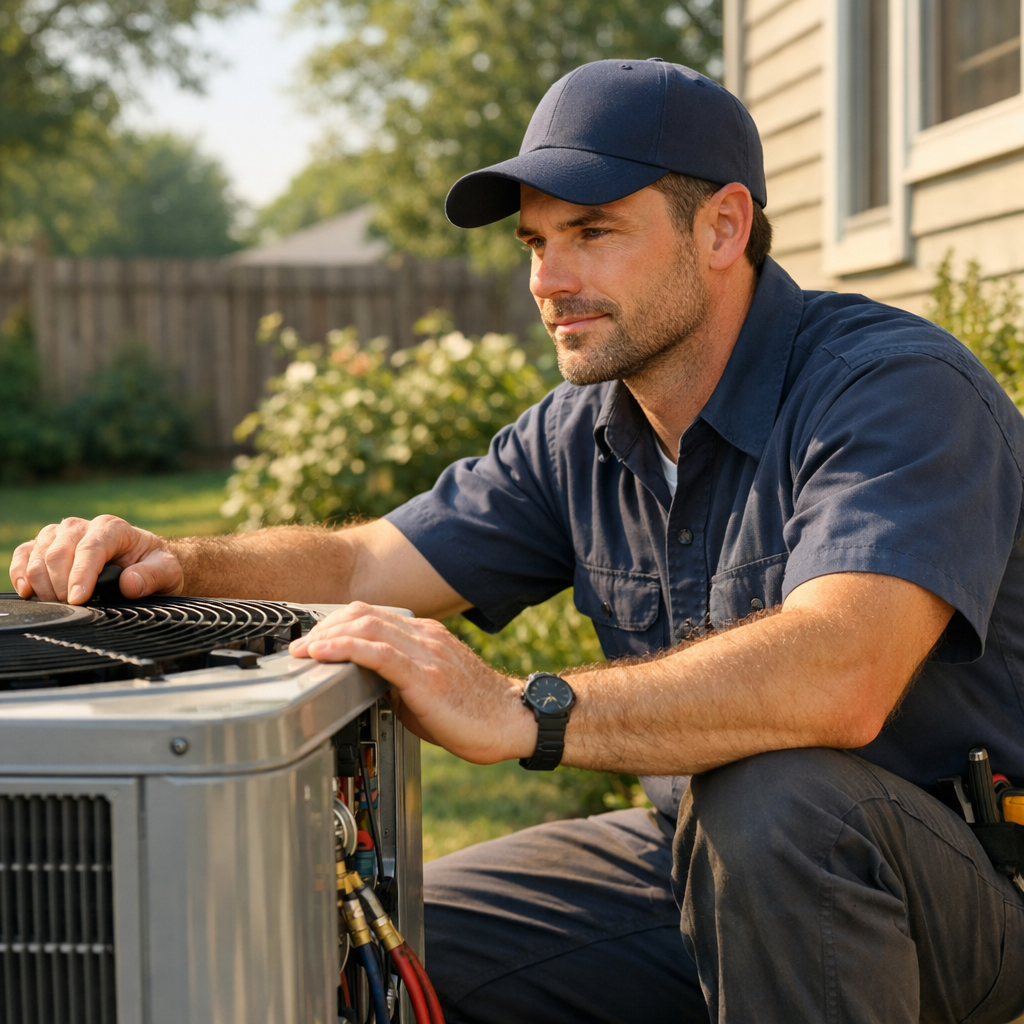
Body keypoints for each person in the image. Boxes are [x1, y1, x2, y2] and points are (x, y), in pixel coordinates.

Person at [11, 59, 1024, 1024]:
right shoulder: (579, 433)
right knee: (372, 946)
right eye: (535, 243)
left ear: (722, 227)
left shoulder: (890, 390)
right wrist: (180, 563)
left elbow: (838, 673)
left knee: (775, 795)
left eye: (591, 232)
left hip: (959, 887)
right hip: (692, 856)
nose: (550, 279)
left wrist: (520, 707)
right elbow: (369, 562)